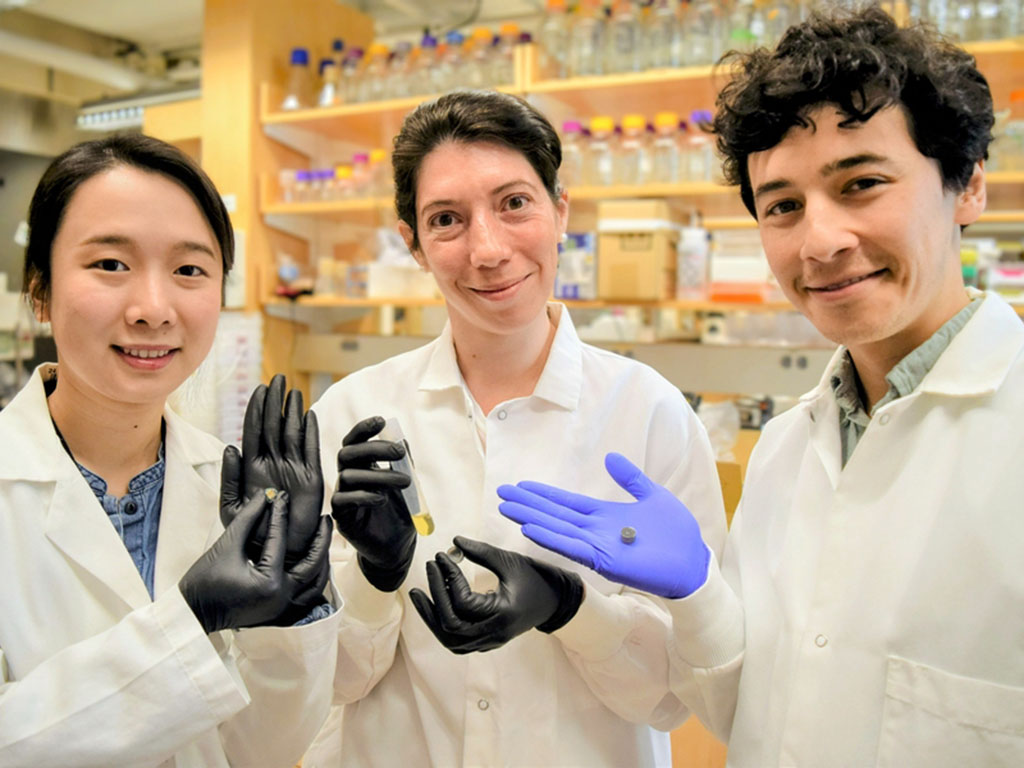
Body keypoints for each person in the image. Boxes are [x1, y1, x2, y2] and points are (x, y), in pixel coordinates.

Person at [498, 6, 1024, 766]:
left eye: (863, 183)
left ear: (967, 185)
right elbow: (743, 710)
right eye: (783, 206)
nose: (821, 240)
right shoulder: (782, 452)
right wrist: (697, 596)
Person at [302, 89, 727, 767]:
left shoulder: (650, 414)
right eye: (447, 219)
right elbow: (324, 686)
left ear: (561, 210)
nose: (488, 249)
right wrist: (374, 580)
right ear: (413, 244)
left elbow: (676, 698)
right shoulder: (353, 419)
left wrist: (572, 609)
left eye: (514, 203)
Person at [0, 134, 341, 767]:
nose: (154, 310)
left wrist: (291, 614)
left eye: (189, 270)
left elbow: (261, 752)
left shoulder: (225, 485)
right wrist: (191, 619)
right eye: (110, 265)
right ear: (41, 289)